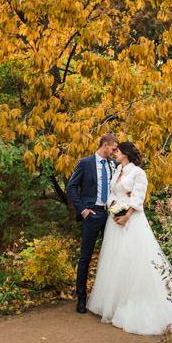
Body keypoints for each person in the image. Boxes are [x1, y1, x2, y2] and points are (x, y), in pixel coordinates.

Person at [87, 141, 172, 335]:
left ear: (125, 154)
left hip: (132, 221)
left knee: (132, 259)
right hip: (115, 219)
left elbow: (138, 197)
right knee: (115, 260)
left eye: (118, 151)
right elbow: (111, 193)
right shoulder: (117, 171)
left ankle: (137, 303)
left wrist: (126, 214)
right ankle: (115, 303)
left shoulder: (138, 173)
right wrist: (114, 206)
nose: (115, 154)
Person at [65, 133, 119, 314]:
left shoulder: (114, 164)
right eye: (113, 149)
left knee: (110, 257)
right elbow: (71, 187)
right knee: (85, 258)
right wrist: (83, 210)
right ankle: (81, 298)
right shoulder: (85, 163)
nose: (114, 152)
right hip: (92, 214)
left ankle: (106, 300)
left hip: (110, 216)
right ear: (105, 145)